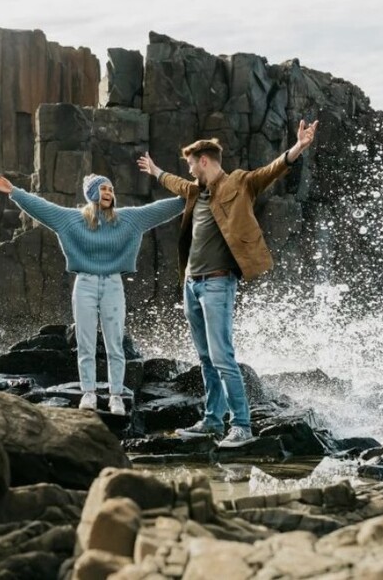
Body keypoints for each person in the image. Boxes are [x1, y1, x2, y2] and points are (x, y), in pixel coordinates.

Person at [135, 121, 318, 447]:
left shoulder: (240, 183)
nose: (189, 171)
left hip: (218, 285)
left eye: (191, 164)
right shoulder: (195, 191)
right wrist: (154, 171)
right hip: (192, 285)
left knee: (223, 357)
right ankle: (212, 421)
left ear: (204, 160)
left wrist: (299, 146)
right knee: (205, 358)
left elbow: (272, 169)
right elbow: (176, 183)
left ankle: (242, 426)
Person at [0, 173, 185, 414]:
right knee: (85, 343)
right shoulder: (71, 220)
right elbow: (42, 208)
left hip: (113, 285)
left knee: (115, 344)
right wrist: (14, 192)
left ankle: (116, 395)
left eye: (111, 189)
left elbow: (161, 208)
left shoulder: (129, 219)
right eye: (103, 188)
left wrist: (192, 193)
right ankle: (89, 394)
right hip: (85, 284)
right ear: (92, 193)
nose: (109, 193)